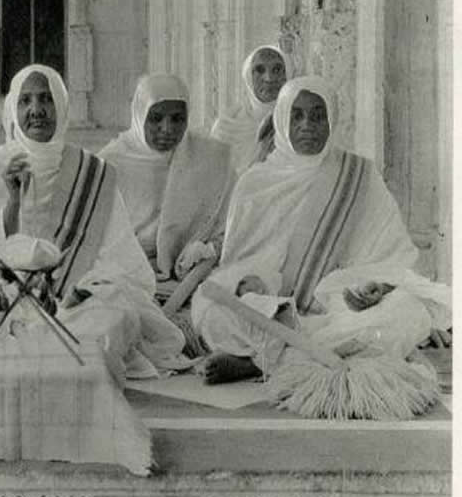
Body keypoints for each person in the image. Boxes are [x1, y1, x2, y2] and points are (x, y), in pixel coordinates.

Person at [0, 64, 189, 379]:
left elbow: (123, 262)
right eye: (26, 101)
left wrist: (86, 286)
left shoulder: (92, 171)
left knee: (116, 313)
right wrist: (12, 203)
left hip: (75, 301)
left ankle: (41, 351)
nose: (37, 110)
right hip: (8, 295)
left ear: (62, 105)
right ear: (14, 109)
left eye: (46, 99)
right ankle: (52, 352)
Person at [191, 76, 452, 384]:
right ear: (281, 119)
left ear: (332, 120)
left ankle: (262, 361)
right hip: (272, 304)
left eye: (318, 115)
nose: (307, 125)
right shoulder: (255, 182)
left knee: (407, 312)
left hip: (338, 308)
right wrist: (254, 283)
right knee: (209, 308)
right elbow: (238, 262)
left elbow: (391, 258)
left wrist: (371, 287)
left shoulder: (358, 176)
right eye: (297, 115)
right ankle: (305, 353)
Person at [99, 74, 234, 294]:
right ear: (139, 115)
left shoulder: (211, 158)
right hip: (123, 273)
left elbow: (231, 226)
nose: (167, 128)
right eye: (156, 118)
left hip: (194, 273)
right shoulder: (110, 164)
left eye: (177, 119)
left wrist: (207, 250)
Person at [210, 44, 290, 174]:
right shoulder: (226, 126)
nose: (269, 78)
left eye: (277, 69)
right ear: (248, 76)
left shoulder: (297, 121)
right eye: (259, 70)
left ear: (288, 75)